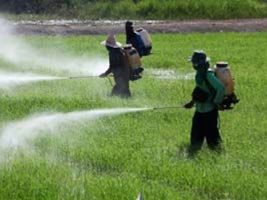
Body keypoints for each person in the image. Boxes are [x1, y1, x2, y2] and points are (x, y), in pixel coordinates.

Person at [184, 50, 225, 154]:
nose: (193, 65)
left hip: (210, 110)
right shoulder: (200, 74)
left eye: (194, 63)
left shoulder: (208, 74)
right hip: (199, 109)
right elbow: (200, 88)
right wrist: (192, 102)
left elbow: (220, 88)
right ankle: (194, 150)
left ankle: (217, 152)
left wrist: (216, 102)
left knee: (211, 134)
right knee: (196, 133)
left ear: (198, 64)